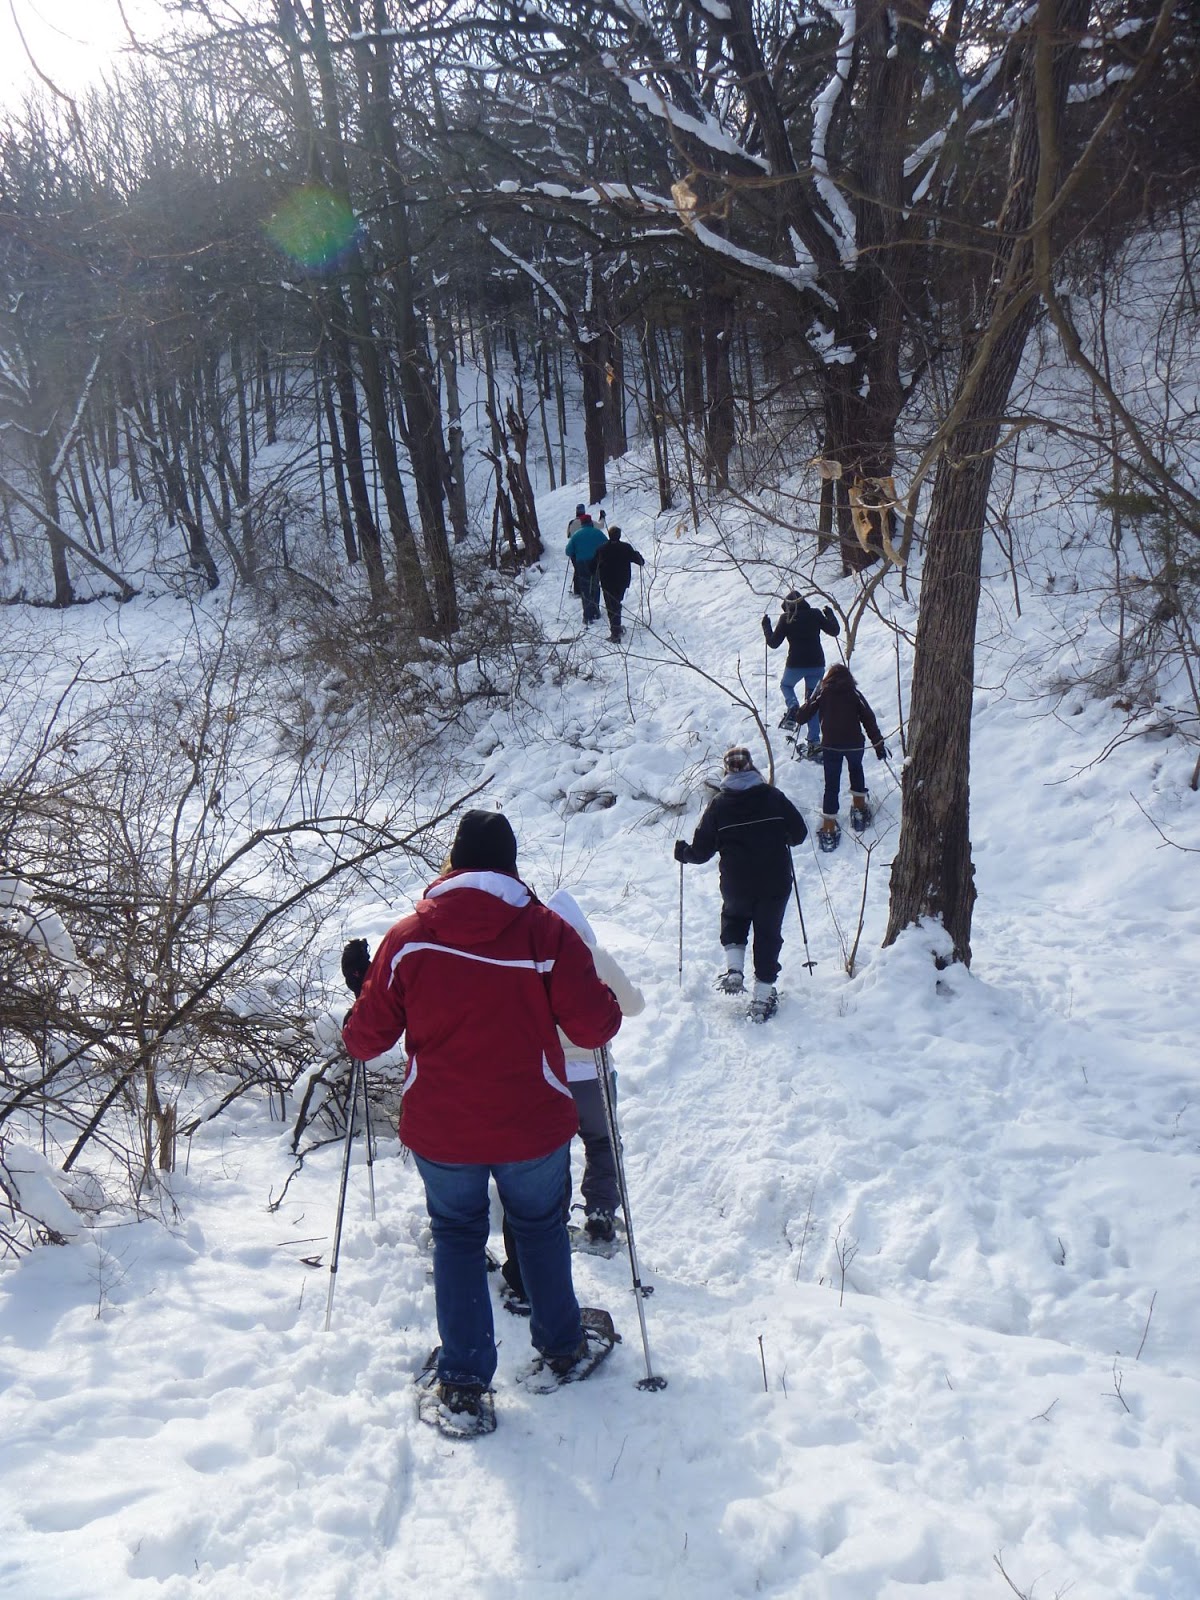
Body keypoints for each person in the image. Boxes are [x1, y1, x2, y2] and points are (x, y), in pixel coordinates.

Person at [341, 809, 622, 1430]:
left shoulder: (408, 937)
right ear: (510, 864)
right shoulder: (546, 934)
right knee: (541, 1227)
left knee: (458, 1236)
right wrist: (598, 992)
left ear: (454, 862)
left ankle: (464, 1383)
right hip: (531, 1122)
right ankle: (563, 1347)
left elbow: (365, 1040)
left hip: (443, 1129)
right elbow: (595, 1027)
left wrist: (363, 989)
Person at [499, 889, 644, 1312]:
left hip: (551, 1076)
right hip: (595, 1073)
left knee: (553, 1152)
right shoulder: (595, 957)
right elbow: (634, 1005)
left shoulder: (536, 959)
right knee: (602, 1143)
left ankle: (554, 1223)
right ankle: (600, 1213)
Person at [673, 747, 808, 1023]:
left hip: (737, 882)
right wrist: (784, 837)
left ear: (726, 771)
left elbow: (701, 851)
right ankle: (761, 997)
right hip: (774, 880)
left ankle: (735, 970)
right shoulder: (773, 797)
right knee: (768, 933)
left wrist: (683, 853)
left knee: (734, 917)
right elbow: (799, 834)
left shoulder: (719, 806)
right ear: (751, 767)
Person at [792, 664, 889, 851]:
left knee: (832, 784)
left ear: (828, 678)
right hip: (854, 744)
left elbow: (801, 717)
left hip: (831, 746)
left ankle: (829, 827)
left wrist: (812, 697)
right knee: (856, 770)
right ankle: (859, 810)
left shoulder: (823, 694)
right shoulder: (854, 694)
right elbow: (869, 719)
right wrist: (878, 745)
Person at [762, 591, 841, 760]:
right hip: (816, 663)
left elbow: (774, 643)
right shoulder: (815, 614)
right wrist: (830, 615)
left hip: (795, 664)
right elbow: (834, 631)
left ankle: (793, 707)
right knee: (812, 702)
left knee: (786, 685)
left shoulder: (786, 619)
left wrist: (766, 627)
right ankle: (814, 742)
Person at [594, 525, 645, 642]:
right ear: (620, 535)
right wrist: (637, 555)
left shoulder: (601, 549)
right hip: (622, 581)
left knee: (611, 605)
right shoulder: (626, 547)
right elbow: (640, 561)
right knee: (616, 603)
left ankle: (615, 631)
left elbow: (593, 565)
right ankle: (616, 629)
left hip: (607, 581)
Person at [565, 512, 607, 625]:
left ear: (582, 523)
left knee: (584, 587)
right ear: (590, 522)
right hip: (596, 562)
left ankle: (587, 615)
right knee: (595, 585)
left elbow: (568, 551)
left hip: (582, 563)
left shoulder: (576, 535)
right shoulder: (597, 533)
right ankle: (596, 611)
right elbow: (606, 545)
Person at [565, 503, 586, 596]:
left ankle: (577, 590)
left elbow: (568, 535)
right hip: (585, 549)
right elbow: (600, 526)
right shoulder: (587, 522)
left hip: (574, 550)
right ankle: (584, 588)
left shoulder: (572, 523)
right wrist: (602, 517)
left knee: (577, 570)